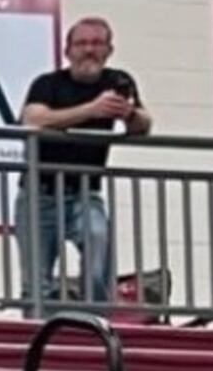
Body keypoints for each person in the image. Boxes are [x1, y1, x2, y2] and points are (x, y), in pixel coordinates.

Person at [20, 20, 148, 308]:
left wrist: (129, 113)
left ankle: (93, 321)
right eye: (81, 44)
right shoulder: (47, 84)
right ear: (67, 51)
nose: (89, 50)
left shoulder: (119, 82)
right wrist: (92, 110)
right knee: (36, 283)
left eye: (97, 43)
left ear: (109, 50)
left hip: (86, 193)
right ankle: (37, 332)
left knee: (98, 249)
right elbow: (32, 120)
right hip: (38, 194)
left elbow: (144, 125)